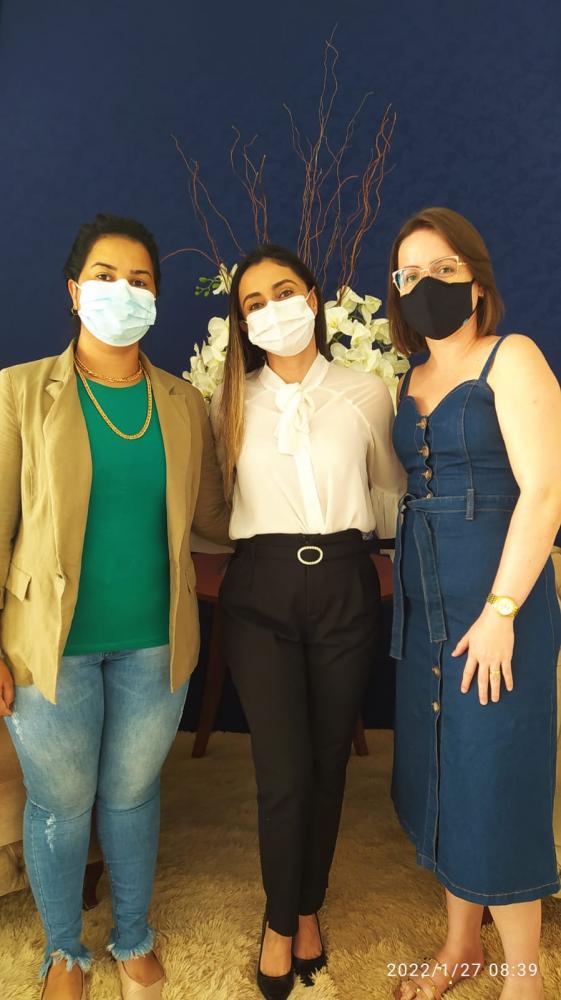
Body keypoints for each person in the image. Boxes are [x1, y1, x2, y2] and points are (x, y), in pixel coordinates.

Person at [0, 214, 230, 1000]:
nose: (121, 292)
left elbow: (214, 519)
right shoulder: (20, 391)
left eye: (139, 281)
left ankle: (132, 936)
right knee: (61, 803)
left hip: (155, 643)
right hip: (49, 644)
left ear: (156, 299)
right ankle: (63, 952)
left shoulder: (183, 403)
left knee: (132, 796)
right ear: (74, 291)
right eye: (104, 277)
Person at [211, 243, 405, 998]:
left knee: (327, 763)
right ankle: (277, 921)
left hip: (344, 583)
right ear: (242, 321)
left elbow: (386, 495)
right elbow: (211, 505)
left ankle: (308, 906)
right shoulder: (228, 401)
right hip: (260, 589)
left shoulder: (366, 391)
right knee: (282, 769)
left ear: (314, 298)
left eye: (283, 292)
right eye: (253, 302)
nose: (272, 310)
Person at [387, 206, 561, 1000]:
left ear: (476, 281)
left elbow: (545, 493)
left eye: (443, 269)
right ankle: (460, 943)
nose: (425, 283)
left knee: (495, 779)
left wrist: (500, 612)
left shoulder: (511, 356)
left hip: (499, 609)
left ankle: (523, 977)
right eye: (409, 273)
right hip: (426, 607)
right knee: (443, 770)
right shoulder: (408, 377)